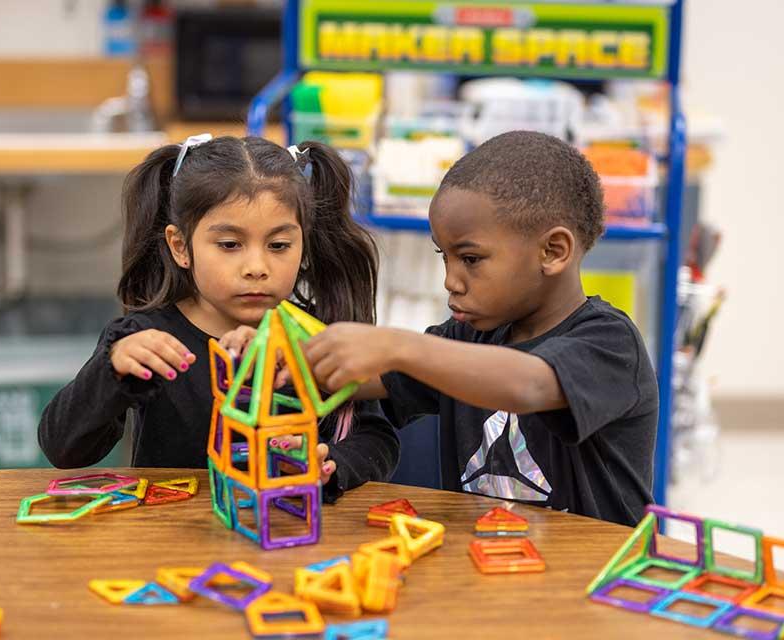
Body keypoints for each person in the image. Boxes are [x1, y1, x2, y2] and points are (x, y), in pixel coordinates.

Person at [304, 131, 658, 525]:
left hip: (591, 577)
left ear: (553, 251)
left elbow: (529, 385)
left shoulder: (610, 344)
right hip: (485, 570)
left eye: (470, 259)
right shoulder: (468, 337)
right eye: (445, 257)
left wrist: (396, 344)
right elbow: (358, 376)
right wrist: (279, 349)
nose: (450, 281)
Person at [38, 135, 399, 501]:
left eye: (278, 246)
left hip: (293, 543)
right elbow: (64, 449)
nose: (257, 268)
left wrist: (332, 464)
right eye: (230, 245)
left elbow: (376, 439)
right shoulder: (144, 338)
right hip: (169, 543)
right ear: (180, 247)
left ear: (303, 243)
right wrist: (111, 370)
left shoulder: (319, 337)